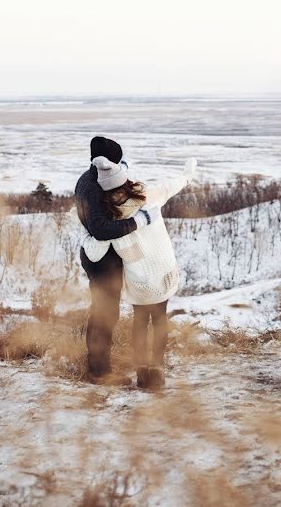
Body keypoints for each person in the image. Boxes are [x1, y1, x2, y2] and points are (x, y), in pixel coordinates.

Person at [79, 153, 197, 390]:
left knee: (140, 322)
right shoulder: (147, 198)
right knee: (160, 318)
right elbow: (169, 187)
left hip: (139, 279)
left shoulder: (112, 217)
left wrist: (88, 236)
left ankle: (142, 374)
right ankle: (157, 370)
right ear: (126, 181)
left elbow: (97, 244)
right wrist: (187, 176)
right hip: (162, 271)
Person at [74, 136, 162, 380]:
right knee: (105, 312)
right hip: (101, 260)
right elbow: (100, 229)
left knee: (105, 311)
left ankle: (99, 366)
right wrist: (139, 221)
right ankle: (99, 372)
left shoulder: (95, 177)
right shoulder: (91, 187)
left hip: (109, 257)